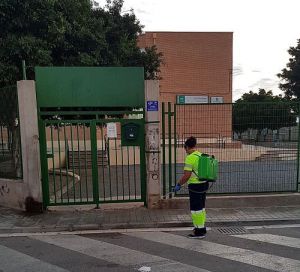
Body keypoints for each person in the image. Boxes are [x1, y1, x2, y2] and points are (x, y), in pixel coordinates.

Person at [173, 136, 209, 238]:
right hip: (204, 184)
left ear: (187, 147)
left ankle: (199, 232)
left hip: (195, 186)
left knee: (195, 209)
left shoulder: (190, 158)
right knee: (201, 208)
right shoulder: (200, 155)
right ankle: (201, 227)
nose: (186, 151)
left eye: (185, 149)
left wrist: (179, 184)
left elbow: (187, 175)